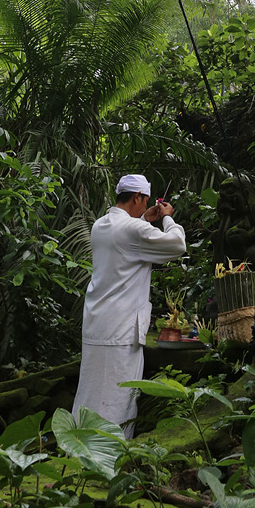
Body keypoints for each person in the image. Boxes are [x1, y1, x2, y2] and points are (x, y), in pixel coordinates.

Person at [72, 173, 186, 437]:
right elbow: (177, 245)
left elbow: (126, 240)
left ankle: (78, 446)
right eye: (145, 201)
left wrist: (144, 219)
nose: (146, 205)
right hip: (121, 330)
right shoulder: (133, 230)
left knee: (90, 393)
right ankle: (111, 452)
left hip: (97, 324)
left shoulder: (100, 225)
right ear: (137, 197)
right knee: (117, 398)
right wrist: (167, 218)